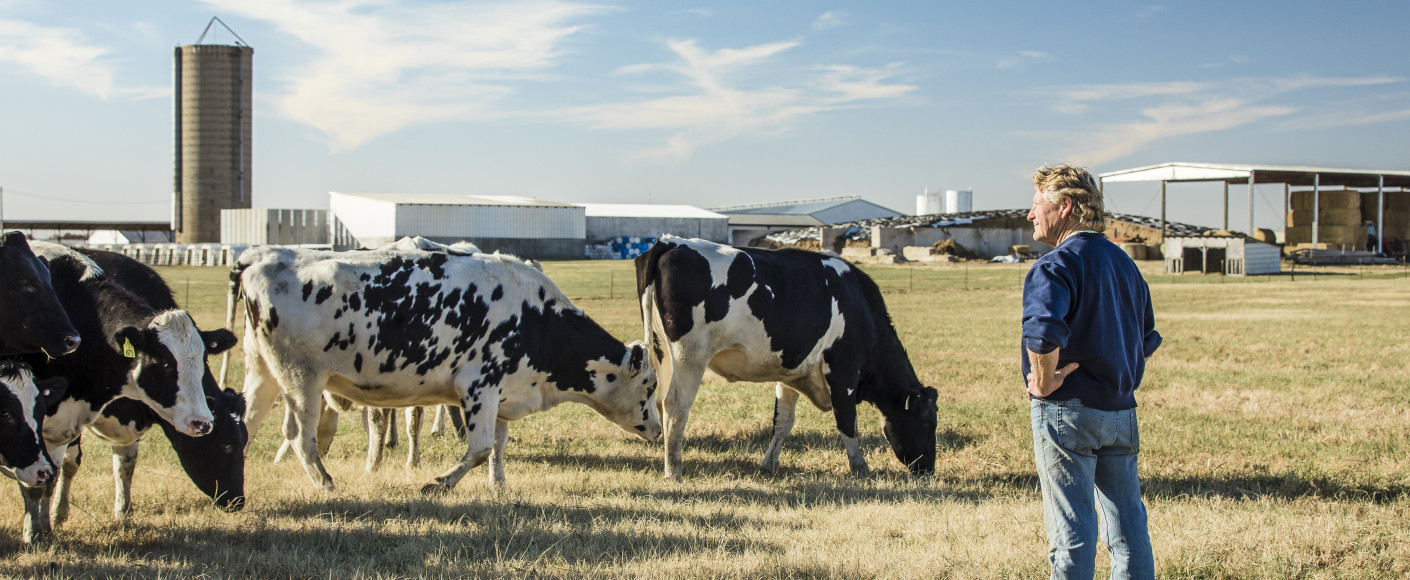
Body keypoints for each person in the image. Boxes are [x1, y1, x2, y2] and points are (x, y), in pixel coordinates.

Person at [1022, 163, 1161, 579]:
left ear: (1064, 207)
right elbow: (1147, 339)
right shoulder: (1125, 265)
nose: (1030, 216)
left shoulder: (1054, 266)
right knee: (1129, 531)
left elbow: (1043, 334)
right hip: (1120, 412)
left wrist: (1045, 382)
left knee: (1072, 533)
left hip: (1067, 412)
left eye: (1035, 206)